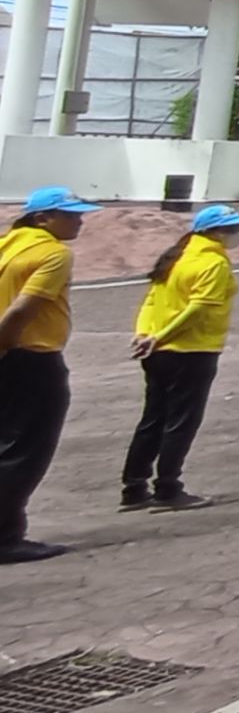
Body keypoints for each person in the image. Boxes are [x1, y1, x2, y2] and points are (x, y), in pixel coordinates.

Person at [124, 203, 239, 513]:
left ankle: (134, 486)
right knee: (181, 421)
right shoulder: (213, 263)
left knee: (153, 418)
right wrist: (162, 335)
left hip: (157, 351)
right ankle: (168, 486)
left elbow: (151, 300)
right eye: (234, 228)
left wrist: (145, 334)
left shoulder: (176, 257)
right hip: (192, 349)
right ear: (216, 232)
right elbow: (199, 308)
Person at [0, 187, 96, 563]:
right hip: (30, 356)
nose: (79, 221)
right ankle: (5, 536)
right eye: (70, 215)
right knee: (24, 449)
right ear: (43, 218)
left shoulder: (7, 245)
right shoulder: (54, 254)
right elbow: (23, 310)